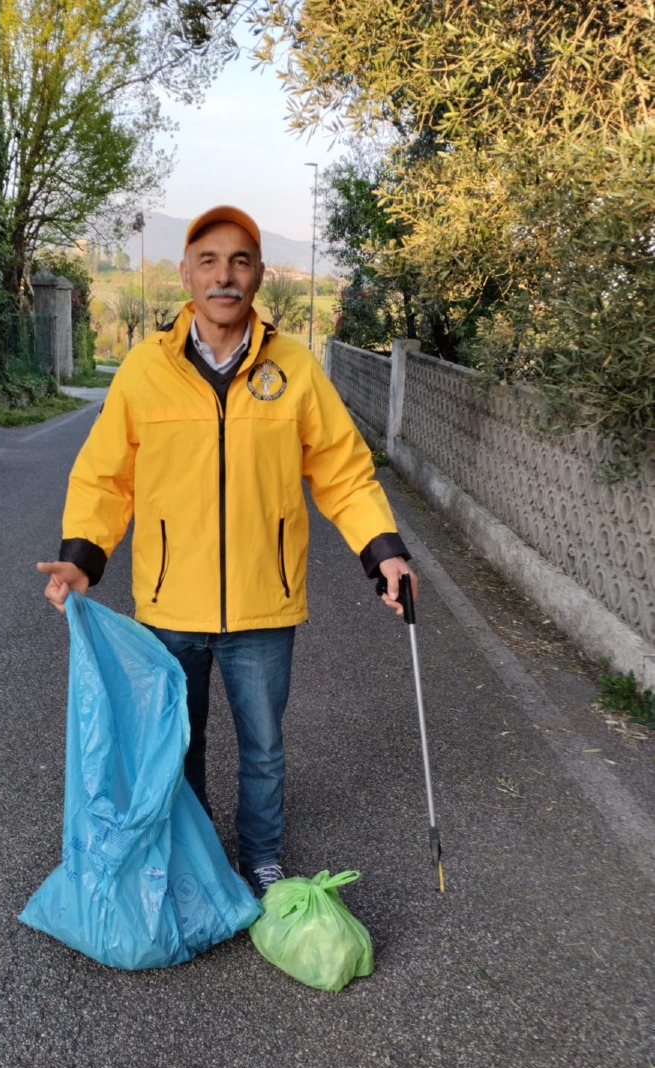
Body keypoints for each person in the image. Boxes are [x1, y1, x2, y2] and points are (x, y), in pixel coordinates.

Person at [38, 204, 415, 898]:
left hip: (262, 604)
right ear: (184, 274)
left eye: (239, 261)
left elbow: (341, 470)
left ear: (258, 276)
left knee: (264, 750)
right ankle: (193, 858)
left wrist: (382, 551)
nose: (224, 275)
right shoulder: (143, 372)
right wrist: (82, 557)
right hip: (168, 603)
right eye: (208, 261)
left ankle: (261, 858)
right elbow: (104, 476)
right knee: (176, 748)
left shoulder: (293, 369)